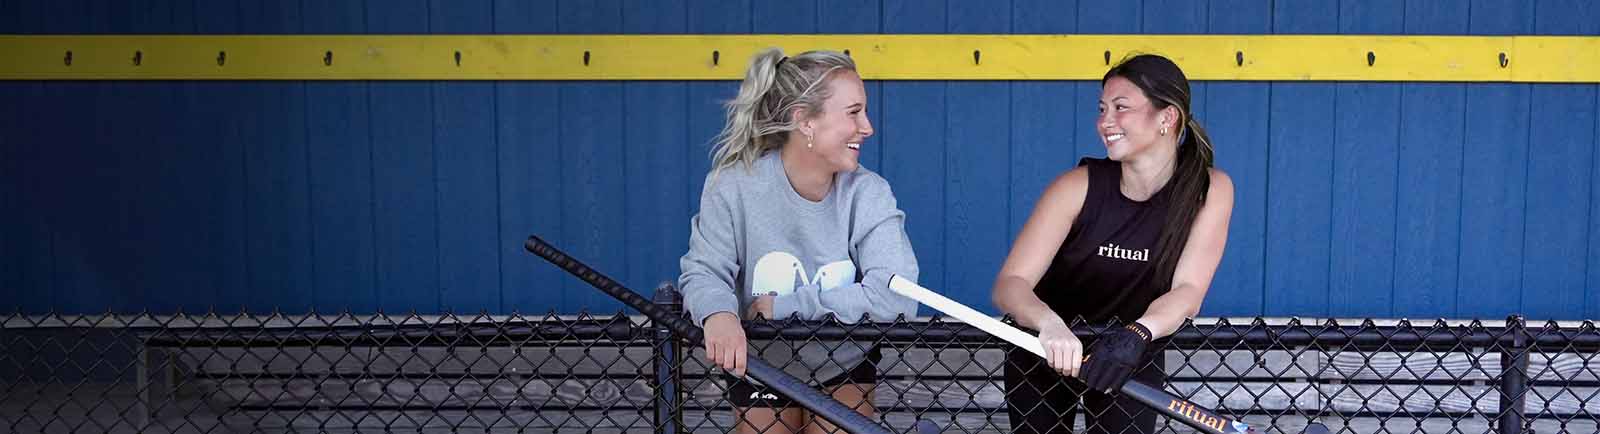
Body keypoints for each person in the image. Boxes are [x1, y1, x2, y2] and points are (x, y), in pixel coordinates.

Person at [677, 47, 920, 434]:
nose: (868, 127)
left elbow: (897, 296)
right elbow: (705, 270)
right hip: (760, 365)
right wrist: (718, 314)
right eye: (853, 112)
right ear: (804, 120)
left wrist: (786, 307)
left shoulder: (868, 193)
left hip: (843, 360)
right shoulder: (734, 185)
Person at [991, 54, 1235, 434]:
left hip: (1127, 351)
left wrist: (1138, 333)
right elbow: (1010, 284)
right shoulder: (1076, 186)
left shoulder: (1209, 190)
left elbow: (1189, 290)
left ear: (1167, 118)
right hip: (1048, 348)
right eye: (1103, 108)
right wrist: (1049, 325)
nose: (1105, 122)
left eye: (1121, 108)